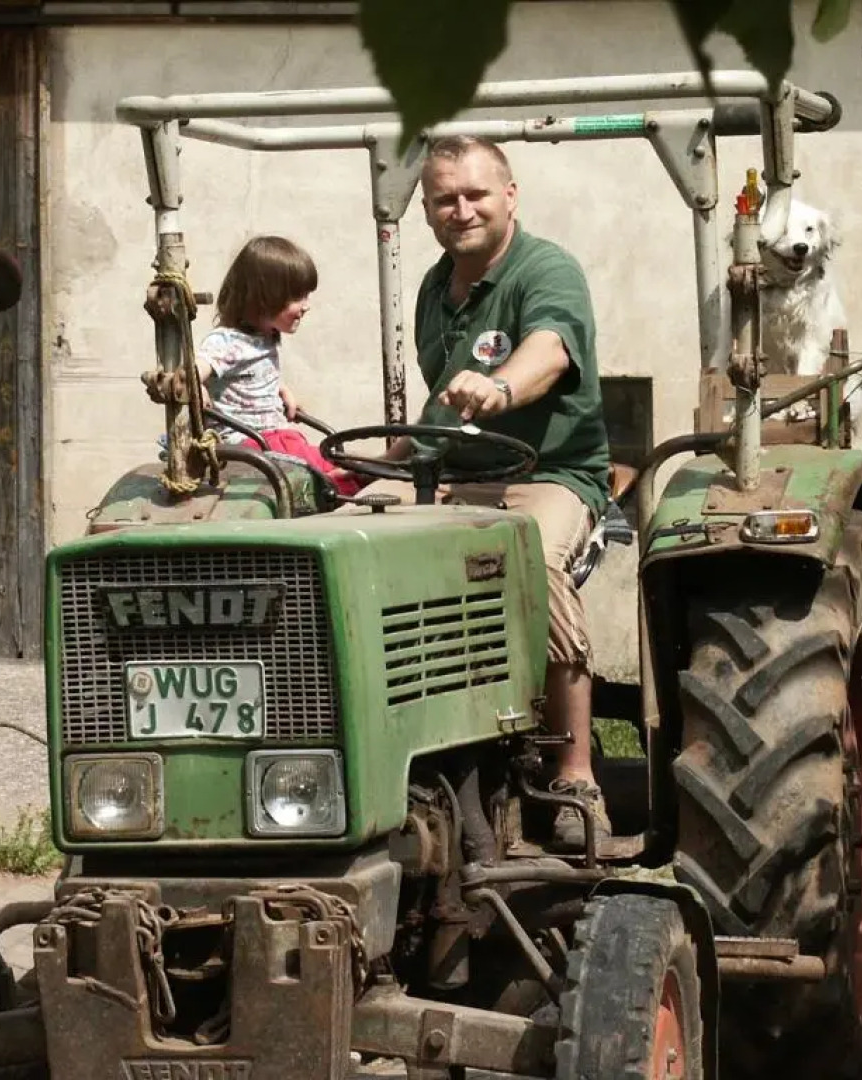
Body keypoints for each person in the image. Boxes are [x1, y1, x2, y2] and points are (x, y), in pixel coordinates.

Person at [387, 135, 613, 850]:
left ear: (509, 196)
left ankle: (576, 776)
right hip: (452, 476)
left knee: (530, 556)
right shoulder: (434, 285)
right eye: (445, 199)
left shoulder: (546, 270)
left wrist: (503, 385)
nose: (461, 210)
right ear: (426, 209)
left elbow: (549, 348)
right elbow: (441, 396)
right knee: (335, 544)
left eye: (476, 194)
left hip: (544, 476)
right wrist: (382, 455)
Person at [194, 235, 364, 496]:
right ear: (264, 297)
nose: (306, 306)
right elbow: (196, 368)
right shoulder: (226, 341)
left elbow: (247, 374)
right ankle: (341, 485)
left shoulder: (264, 337)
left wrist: (279, 388)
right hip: (251, 443)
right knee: (325, 476)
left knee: (343, 461)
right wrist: (196, 386)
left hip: (275, 436)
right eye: (297, 297)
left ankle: (354, 477)